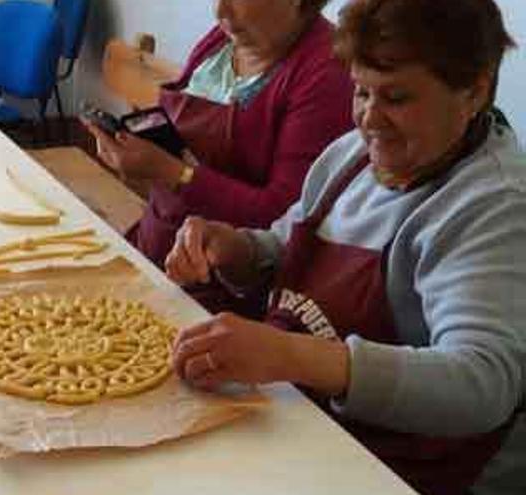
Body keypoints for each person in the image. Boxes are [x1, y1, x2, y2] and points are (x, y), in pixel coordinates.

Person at [165, 0, 524, 494]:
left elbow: (482, 383)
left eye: (397, 98)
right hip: (305, 428)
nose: (370, 120)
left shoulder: (493, 207)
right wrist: (236, 248)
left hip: (400, 469)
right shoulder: (352, 155)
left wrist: (295, 356)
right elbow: (282, 244)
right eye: (361, 92)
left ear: (474, 91)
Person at [82, 0, 353, 315]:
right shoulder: (223, 39)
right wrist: (138, 152)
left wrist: (175, 175)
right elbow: (179, 141)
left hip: (221, 293)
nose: (220, 11)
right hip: (156, 242)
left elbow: (284, 220)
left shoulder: (326, 73)